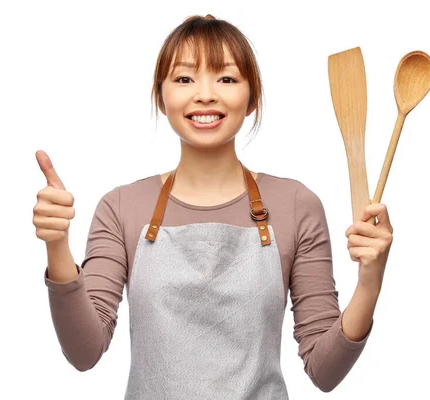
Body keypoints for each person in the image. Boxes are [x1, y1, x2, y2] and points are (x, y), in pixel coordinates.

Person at [33, 14, 394, 399]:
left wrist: (370, 282)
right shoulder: (122, 207)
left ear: (251, 97)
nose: (204, 94)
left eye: (226, 78)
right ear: (161, 96)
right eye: (185, 78)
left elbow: (325, 371)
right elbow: (84, 352)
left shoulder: (295, 205)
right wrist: (57, 245)